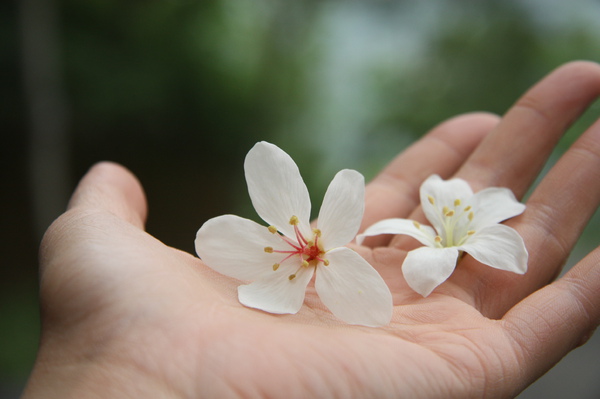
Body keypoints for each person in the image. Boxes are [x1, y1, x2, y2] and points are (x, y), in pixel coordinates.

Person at [22, 61, 600, 398]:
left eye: (310, 242)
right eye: (304, 244)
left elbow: (355, 284)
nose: (304, 244)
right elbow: (227, 245)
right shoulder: (295, 258)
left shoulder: (330, 249)